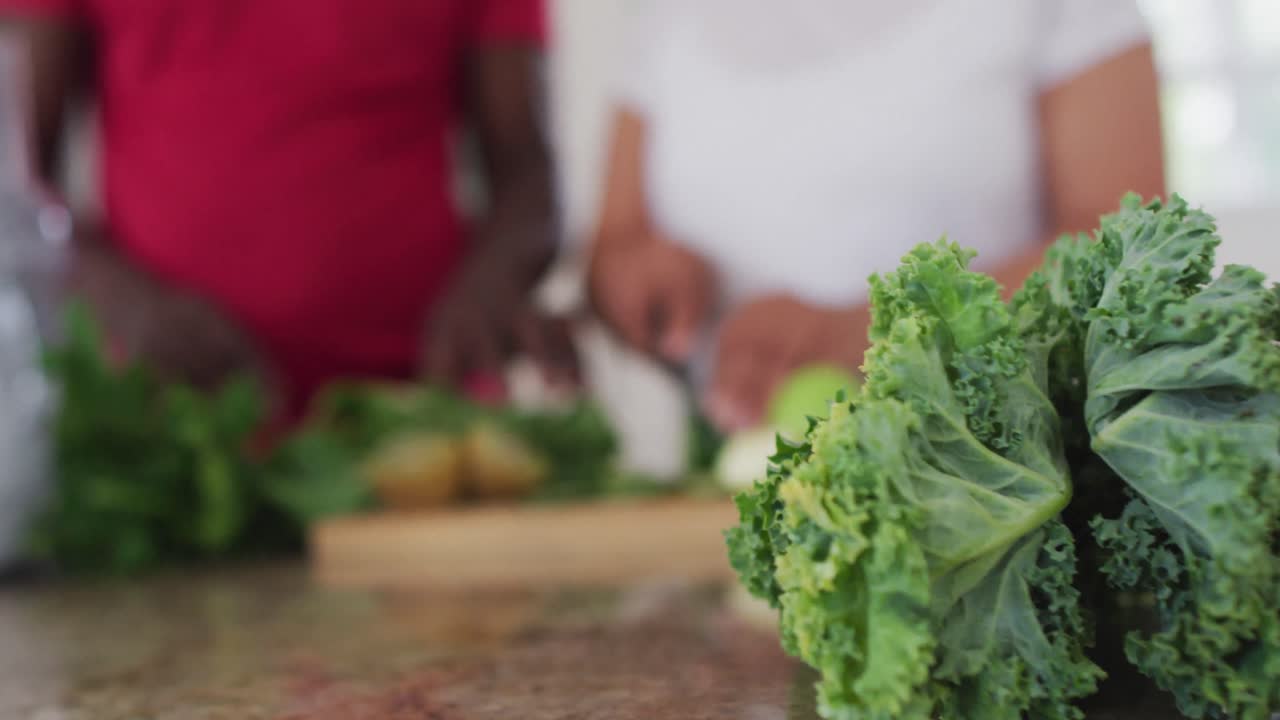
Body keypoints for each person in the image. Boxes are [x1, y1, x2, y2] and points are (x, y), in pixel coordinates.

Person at [588, 0, 1166, 433]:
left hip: (997, 484)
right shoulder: (663, 13)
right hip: (732, 479)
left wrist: (878, 334)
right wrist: (641, 284)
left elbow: (1127, 249)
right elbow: (615, 244)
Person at [0, 0, 577, 420]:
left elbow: (530, 177)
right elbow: (15, 180)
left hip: (415, 416)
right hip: (168, 426)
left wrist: (487, 288)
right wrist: (118, 299)